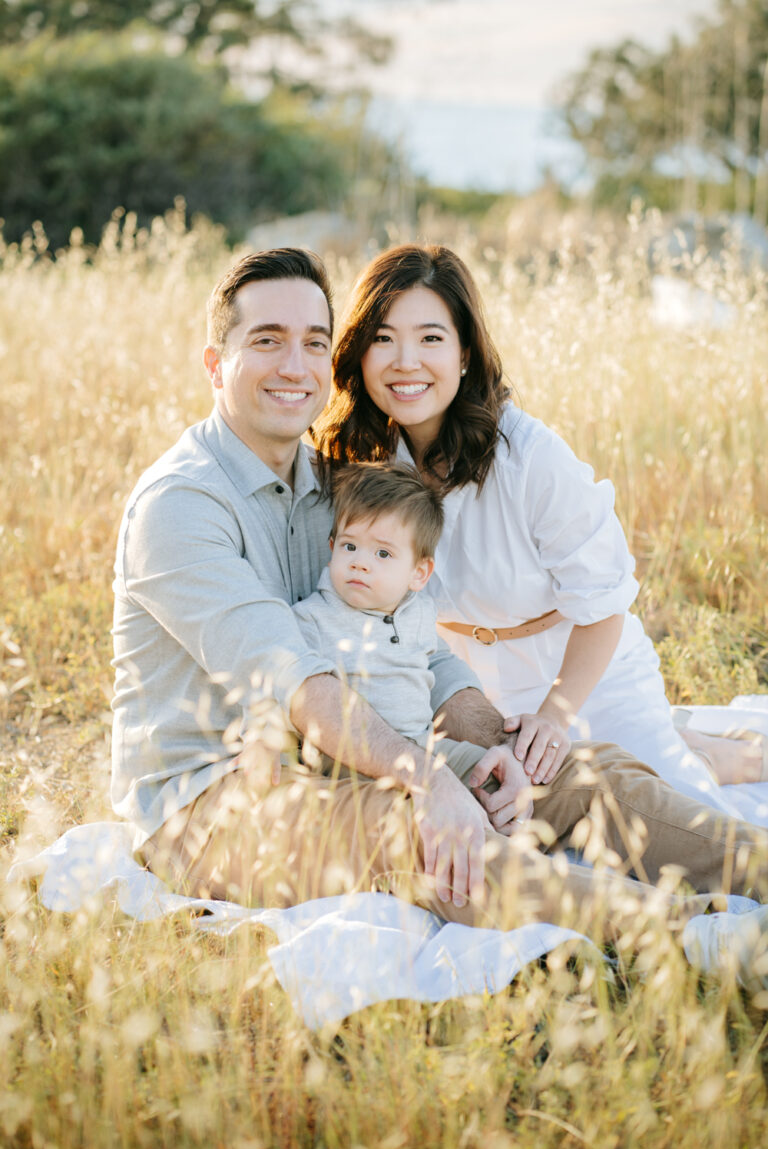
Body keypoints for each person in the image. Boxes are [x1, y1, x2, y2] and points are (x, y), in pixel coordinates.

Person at [111, 246, 768, 990]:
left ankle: (757, 870)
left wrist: (493, 747)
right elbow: (298, 683)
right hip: (215, 797)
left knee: (576, 773)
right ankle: (704, 939)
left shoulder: (332, 481)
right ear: (214, 361)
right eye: (266, 340)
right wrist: (433, 781)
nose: (295, 364)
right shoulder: (181, 507)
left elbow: (417, 637)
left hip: (339, 754)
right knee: (430, 836)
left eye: (315, 343)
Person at [313, 243, 767, 821]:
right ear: (358, 352)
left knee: (676, 813)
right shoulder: (355, 463)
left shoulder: (527, 456)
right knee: (537, 822)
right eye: (382, 338)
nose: (406, 362)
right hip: (465, 689)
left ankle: (731, 758)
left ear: (465, 353)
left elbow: (605, 602)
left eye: (430, 338)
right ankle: (693, 745)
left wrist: (555, 717)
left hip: (580, 670)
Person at [292, 460, 533, 820]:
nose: (360, 563)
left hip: (424, 749)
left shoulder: (419, 615)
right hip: (350, 767)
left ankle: (519, 835)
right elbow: (278, 690)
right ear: (332, 546)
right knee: (425, 819)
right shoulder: (310, 619)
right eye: (349, 546)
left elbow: (437, 671)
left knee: (499, 778)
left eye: (383, 553)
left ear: (419, 573)